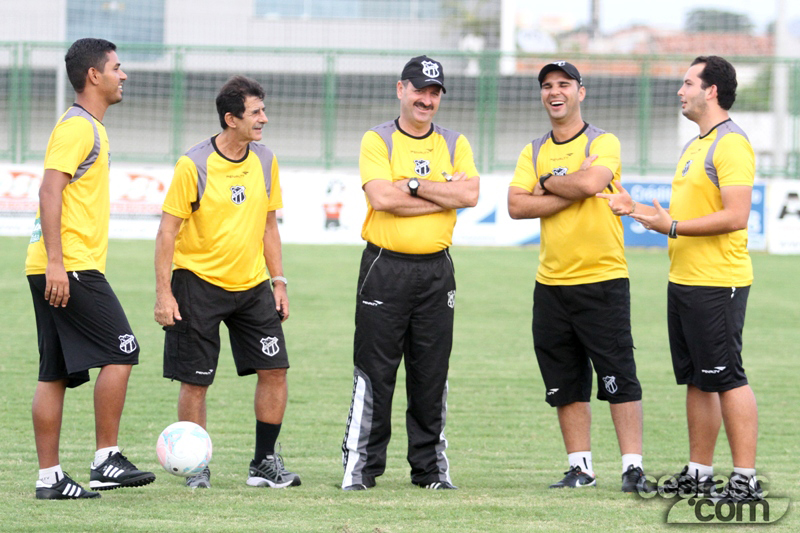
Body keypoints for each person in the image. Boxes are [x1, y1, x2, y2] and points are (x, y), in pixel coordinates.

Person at [597, 56, 761, 502]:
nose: (680, 91)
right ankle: (699, 473)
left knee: (727, 377)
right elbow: (681, 216)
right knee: (697, 379)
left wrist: (671, 227)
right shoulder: (695, 145)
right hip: (685, 280)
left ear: (711, 90)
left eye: (688, 83)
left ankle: (745, 481)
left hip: (718, 281)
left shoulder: (731, 144)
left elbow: (736, 215)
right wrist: (635, 209)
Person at [340, 55, 480, 491]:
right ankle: (361, 469)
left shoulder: (454, 142)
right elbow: (382, 199)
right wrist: (443, 194)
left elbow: (470, 195)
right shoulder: (378, 139)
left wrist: (414, 185)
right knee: (375, 372)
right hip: (385, 267)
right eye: (420, 89)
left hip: (437, 271)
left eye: (435, 92)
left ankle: (431, 471)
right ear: (401, 89)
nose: (427, 99)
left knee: (431, 373)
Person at [154, 75, 300, 490]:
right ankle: (195, 468)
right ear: (231, 118)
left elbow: (269, 225)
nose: (264, 119)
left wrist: (279, 282)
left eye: (263, 110)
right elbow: (167, 232)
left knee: (275, 369)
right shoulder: (193, 164)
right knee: (196, 380)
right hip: (197, 283)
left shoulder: (266, 160)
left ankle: (264, 463)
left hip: (252, 285)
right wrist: (164, 293)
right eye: (256, 112)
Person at [508, 61, 648, 492]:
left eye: (564, 84)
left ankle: (632, 468)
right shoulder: (533, 149)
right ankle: (580, 468)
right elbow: (516, 206)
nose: (555, 92)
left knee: (618, 375)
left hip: (602, 279)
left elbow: (592, 185)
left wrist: (546, 182)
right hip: (551, 284)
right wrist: (570, 182)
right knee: (565, 381)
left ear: (580, 92)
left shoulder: (603, 141)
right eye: (547, 85)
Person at [25, 38, 156, 500]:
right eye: (117, 67)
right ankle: (106, 460)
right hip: (69, 266)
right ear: (94, 75)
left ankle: (50, 479)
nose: (124, 75)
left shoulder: (89, 126)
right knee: (123, 350)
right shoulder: (78, 127)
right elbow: (49, 191)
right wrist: (57, 264)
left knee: (54, 374)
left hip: (56, 264)